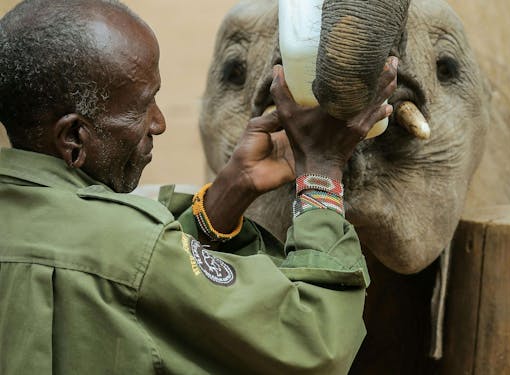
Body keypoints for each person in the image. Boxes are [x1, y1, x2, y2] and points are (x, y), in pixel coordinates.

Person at [0, 0, 397, 374]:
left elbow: (130, 277)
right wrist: (321, 171)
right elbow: (316, 345)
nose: (159, 123)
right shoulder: (126, 247)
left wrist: (233, 188)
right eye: (143, 106)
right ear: (73, 138)